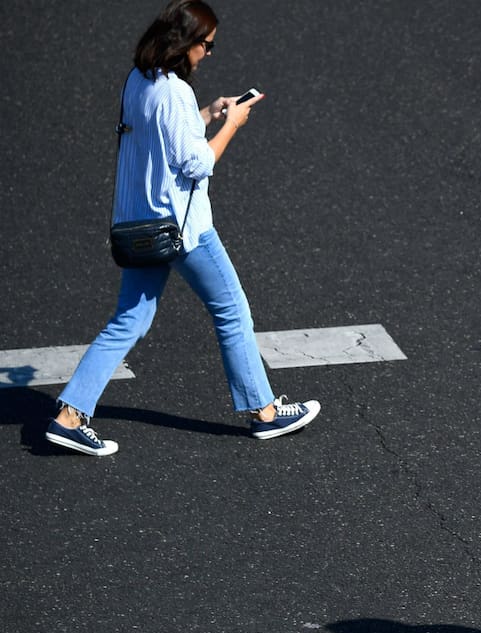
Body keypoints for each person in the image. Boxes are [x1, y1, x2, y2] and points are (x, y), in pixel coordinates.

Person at [45, 0, 319, 457]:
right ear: (184, 42)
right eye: (206, 45)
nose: (208, 54)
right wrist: (231, 124)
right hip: (182, 228)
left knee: (128, 320)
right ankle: (264, 413)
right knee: (231, 309)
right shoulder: (173, 92)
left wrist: (208, 111)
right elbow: (196, 162)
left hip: (139, 224)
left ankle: (69, 415)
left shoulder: (140, 80)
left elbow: (158, 137)